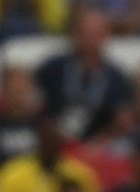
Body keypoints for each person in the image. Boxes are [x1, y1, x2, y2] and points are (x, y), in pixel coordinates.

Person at [35, 8, 134, 141]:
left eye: (97, 33)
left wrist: (101, 142)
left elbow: (124, 121)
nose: (91, 38)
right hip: (54, 144)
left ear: (106, 36)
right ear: (75, 34)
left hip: (96, 147)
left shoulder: (116, 77)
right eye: (86, 32)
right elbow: (33, 105)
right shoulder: (52, 68)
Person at [0, 68, 41, 172]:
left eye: (22, 91)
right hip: (2, 185)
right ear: (3, 92)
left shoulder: (41, 127)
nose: (18, 97)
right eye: (13, 91)